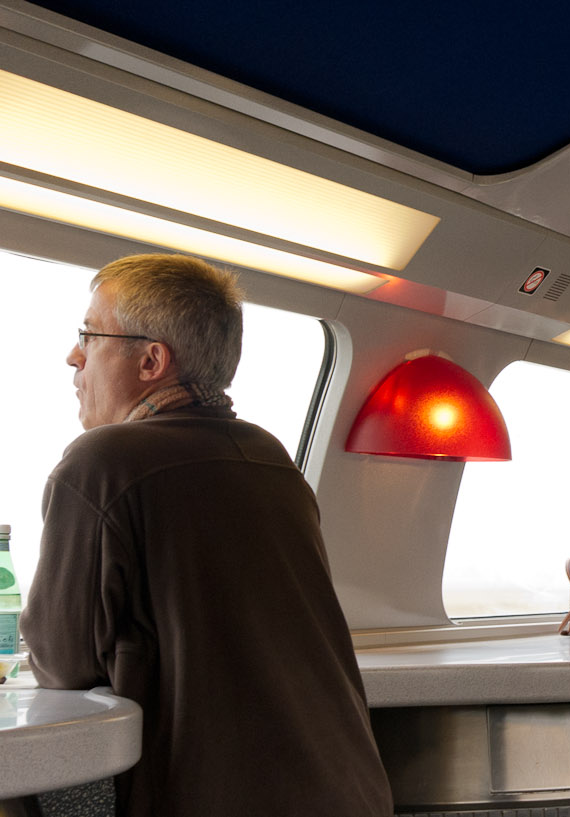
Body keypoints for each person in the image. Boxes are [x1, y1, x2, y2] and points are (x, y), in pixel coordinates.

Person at [20, 254, 392, 817]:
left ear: (151, 360)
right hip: (351, 787)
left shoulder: (101, 463)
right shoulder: (270, 458)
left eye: (88, 336)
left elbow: (60, 659)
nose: (73, 356)